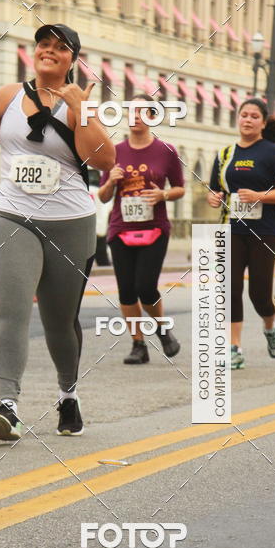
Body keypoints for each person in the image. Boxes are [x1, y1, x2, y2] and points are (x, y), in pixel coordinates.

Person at [0, 24, 115, 440]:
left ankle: (68, 394)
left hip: (70, 222)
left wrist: (81, 111)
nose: (49, 51)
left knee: (59, 320)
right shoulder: (8, 95)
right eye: (43, 44)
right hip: (11, 214)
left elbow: (104, 159)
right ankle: (7, 405)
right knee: (12, 312)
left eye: (60, 47)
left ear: (72, 59)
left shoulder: (81, 101)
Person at [208, 98, 275, 370]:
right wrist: (214, 198)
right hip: (232, 229)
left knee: (260, 294)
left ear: (263, 122)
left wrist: (260, 196)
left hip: (265, 230)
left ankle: (270, 326)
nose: (247, 120)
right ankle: (234, 347)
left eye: (254, 116)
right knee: (230, 287)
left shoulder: (272, 153)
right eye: (244, 115)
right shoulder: (225, 154)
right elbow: (215, 190)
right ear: (238, 118)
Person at [98, 95, 185, 364]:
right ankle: (138, 344)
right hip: (121, 229)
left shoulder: (166, 151)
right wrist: (111, 182)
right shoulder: (114, 151)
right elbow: (103, 196)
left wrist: (163, 195)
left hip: (154, 228)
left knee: (146, 287)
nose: (135, 116)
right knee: (126, 290)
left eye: (142, 112)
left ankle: (162, 329)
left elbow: (180, 188)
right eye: (132, 111)